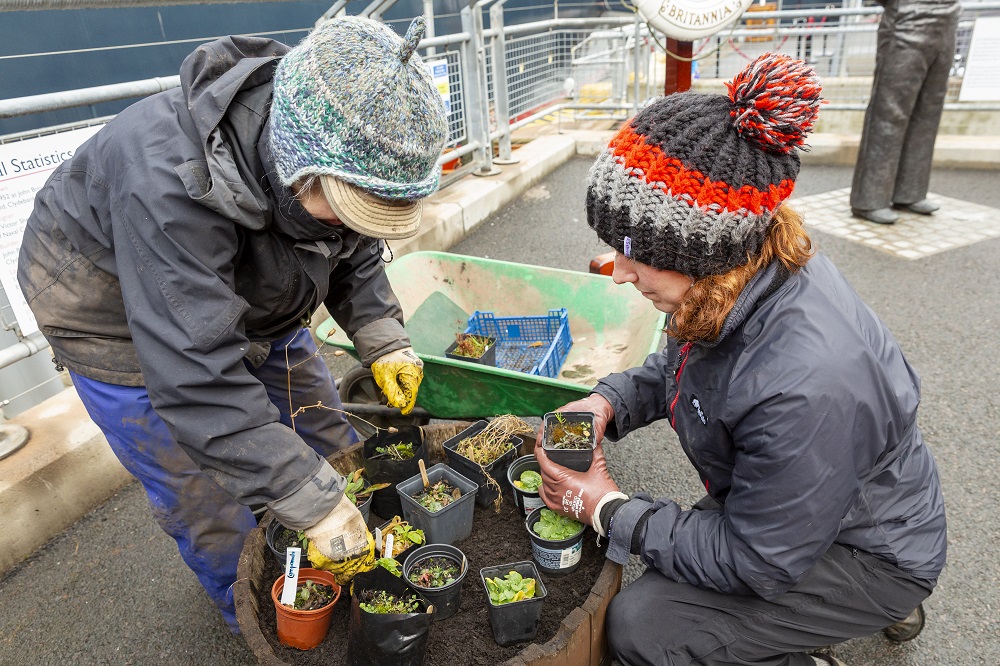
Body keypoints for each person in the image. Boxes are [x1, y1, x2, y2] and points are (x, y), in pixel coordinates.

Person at [17, 15, 447, 632]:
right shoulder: (167, 184)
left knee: (321, 432)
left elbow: (350, 242)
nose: (355, 225)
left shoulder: (322, 146)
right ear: (295, 166)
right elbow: (196, 379)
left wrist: (382, 334)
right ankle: (253, 613)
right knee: (209, 494)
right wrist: (311, 502)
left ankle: (348, 559)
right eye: (350, 206)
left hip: (256, 292)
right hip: (115, 321)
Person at [535, 53, 946, 666]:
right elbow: (677, 367)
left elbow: (755, 559)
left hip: (869, 552)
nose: (617, 274)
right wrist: (608, 402)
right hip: (804, 503)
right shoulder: (735, 278)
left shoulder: (807, 381)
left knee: (643, 627)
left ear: (699, 248)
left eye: (630, 252)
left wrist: (607, 508)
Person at [849, 0, 961, 225]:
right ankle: (870, 198)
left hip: (948, 18)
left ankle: (910, 192)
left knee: (929, 109)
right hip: (908, 18)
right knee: (890, 111)